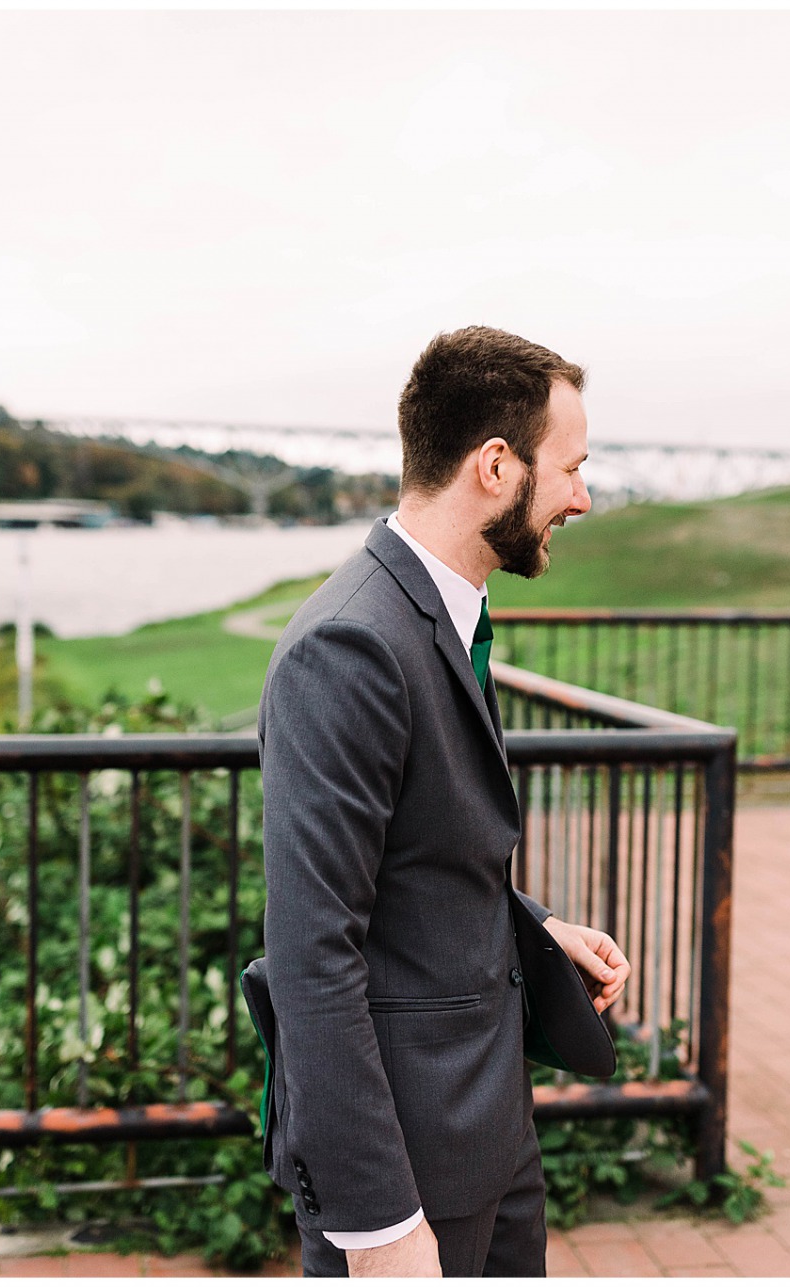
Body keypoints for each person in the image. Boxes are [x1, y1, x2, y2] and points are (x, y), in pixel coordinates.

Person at [258, 326, 631, 1277]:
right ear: (497, 466)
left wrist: (533, 929)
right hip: (407, 1169)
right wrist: (379, 1225)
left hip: (488, 1135)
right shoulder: (349, 646)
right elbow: (312, 953)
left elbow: (416, 866)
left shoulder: (444, 615)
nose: (582, 497)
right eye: (572, 468)